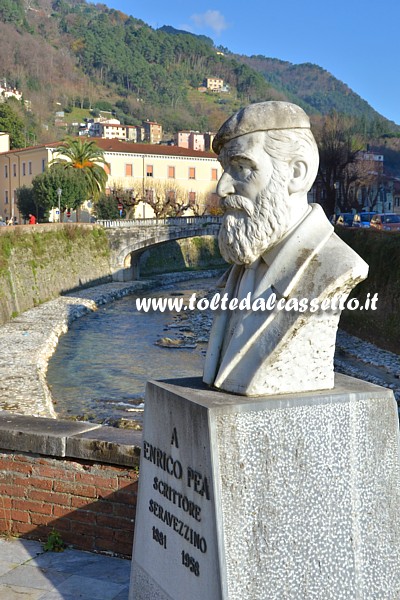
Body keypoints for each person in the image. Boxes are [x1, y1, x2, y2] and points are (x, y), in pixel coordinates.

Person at [203, 101, 368, 397]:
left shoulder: (336, 266)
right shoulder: (241, 268)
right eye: (225, 169)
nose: (222, 188)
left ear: (297, 173)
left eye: (241, 168)